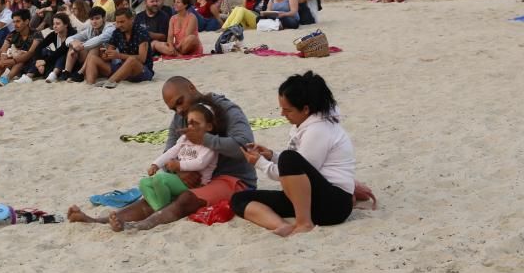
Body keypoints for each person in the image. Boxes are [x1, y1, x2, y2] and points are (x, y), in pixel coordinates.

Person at [68, 76, 255, 230]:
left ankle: (143, 225)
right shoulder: (181, 118)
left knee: (185, 198)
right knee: (155, 194)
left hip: (232, 179)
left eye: (180, 102)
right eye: (174, 108)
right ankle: (100, 221)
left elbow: (246, 147)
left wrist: (204, 139)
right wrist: (180, 171)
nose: (179, 110)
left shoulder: (227, 109)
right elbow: (169, 152)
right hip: (195, 176)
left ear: (192, 87)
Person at [232, 71, 355, 237]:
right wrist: (271, 155)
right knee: (239, 199)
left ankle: (304, 223)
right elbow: (297, 169)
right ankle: (280, 224)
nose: (282, 114)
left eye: (287, 110)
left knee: (288, 158)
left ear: (305, 109)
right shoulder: (305, 124)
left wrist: (259, 163)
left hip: (333, 205)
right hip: (307, 198)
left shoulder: (318, 130)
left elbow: (293, 170)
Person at [127, 102, 223, 232]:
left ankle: (162, 210)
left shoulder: (210, 144)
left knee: (160, 179)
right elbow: (171, 152)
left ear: (209, 127)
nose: (192, 127)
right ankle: (159, 210)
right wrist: (156, 164)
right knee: (144, 183)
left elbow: (200, 163)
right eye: (190, 123)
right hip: (178, 180)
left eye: (197, 123)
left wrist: (178, 165)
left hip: (195, 185)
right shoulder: (185, 139)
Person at [80, 8, 152, 88]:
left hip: (141, 70)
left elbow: (142, 59)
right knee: (92, 58)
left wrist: (119, 55)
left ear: (131, 19)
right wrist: (106, 54)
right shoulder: (117, 32)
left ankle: (109, 82)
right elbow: (110, 51)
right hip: (121, 69)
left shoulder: (141, 31)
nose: (119, 25)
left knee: (132, 60)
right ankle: (90, 85)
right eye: (117, 22)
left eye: (122, 22)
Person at [0, 9, 42, 86]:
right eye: (14, 22)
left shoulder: (36, 33)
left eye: (18, 21)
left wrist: (13, 61)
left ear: (26, 22)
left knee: (20, 57)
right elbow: (1, 50)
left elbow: (30, 53)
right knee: (4, 56)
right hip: (19, 68)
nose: (15, 24)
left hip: (34, 67)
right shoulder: (12, 34)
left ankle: (7, 78)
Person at [62, 6, 115, 80]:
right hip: (91, 59)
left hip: (107, 60)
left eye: (97, 18)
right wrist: (74, 43)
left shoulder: (110, 28)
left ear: (103, 18)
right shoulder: (90, 29)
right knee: (74, 43)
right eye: (92, 19)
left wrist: (81, 47)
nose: (94, 21)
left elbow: (99, 39)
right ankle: (67, 72)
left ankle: (81, 73)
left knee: (96, 45)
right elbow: (69, 39)